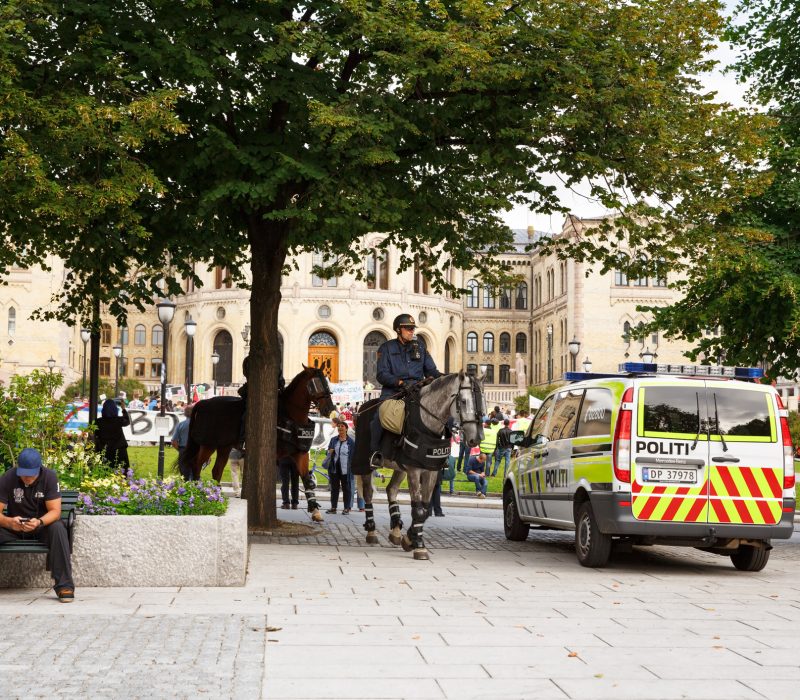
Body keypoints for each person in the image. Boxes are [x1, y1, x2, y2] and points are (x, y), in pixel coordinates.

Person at [0, 448, 75, 602]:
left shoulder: (49, 477)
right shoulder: (8, 477)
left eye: (31, 474)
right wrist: (10, 522)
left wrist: (39, 522)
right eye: (23, 473)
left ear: (39, 468)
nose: (27, 477)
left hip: (42, 527)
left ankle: (64, 586)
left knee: (59, 527)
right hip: (15, 527)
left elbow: (55, 512)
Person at [370, 313, 442, 466]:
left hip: (417, 391)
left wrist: (446, 378)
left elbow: (432, 372)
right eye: (408, 328)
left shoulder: (421, 347)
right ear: (398, 330)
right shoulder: (387, 348)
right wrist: (400, 382)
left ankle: (439, 452)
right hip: (394, 392)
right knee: (378, 417)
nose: (411, 331)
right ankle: (375, 452)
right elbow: (382, 374)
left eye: (412, 329)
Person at [94, 398, 131, 475]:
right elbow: (127, 421)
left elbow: (96, 434)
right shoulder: (119, 420)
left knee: (105, 471)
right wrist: (123, 409)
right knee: (122, 473)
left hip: (104, 450)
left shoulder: (98, 421)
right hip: (119, 449)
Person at [326, 422, 355, 513]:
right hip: (334, 468)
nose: (340, 428)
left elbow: (353, 456)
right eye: (338, 427)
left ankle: (346, 508)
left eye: (342, 426)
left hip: (346, 469)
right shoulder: (333, 440)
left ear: (346, 429)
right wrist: (329, 452)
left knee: (346, 488)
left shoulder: (351, 442)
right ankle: (333, 507)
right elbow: (327, 452)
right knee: (334, 488)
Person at [171, 404, 193, 479]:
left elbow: (174, 442)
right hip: (196, 451)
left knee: (184, 474)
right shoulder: (199, 425)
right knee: (195, 474)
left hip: (183, 450)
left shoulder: (181, 425)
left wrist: (180, 449)